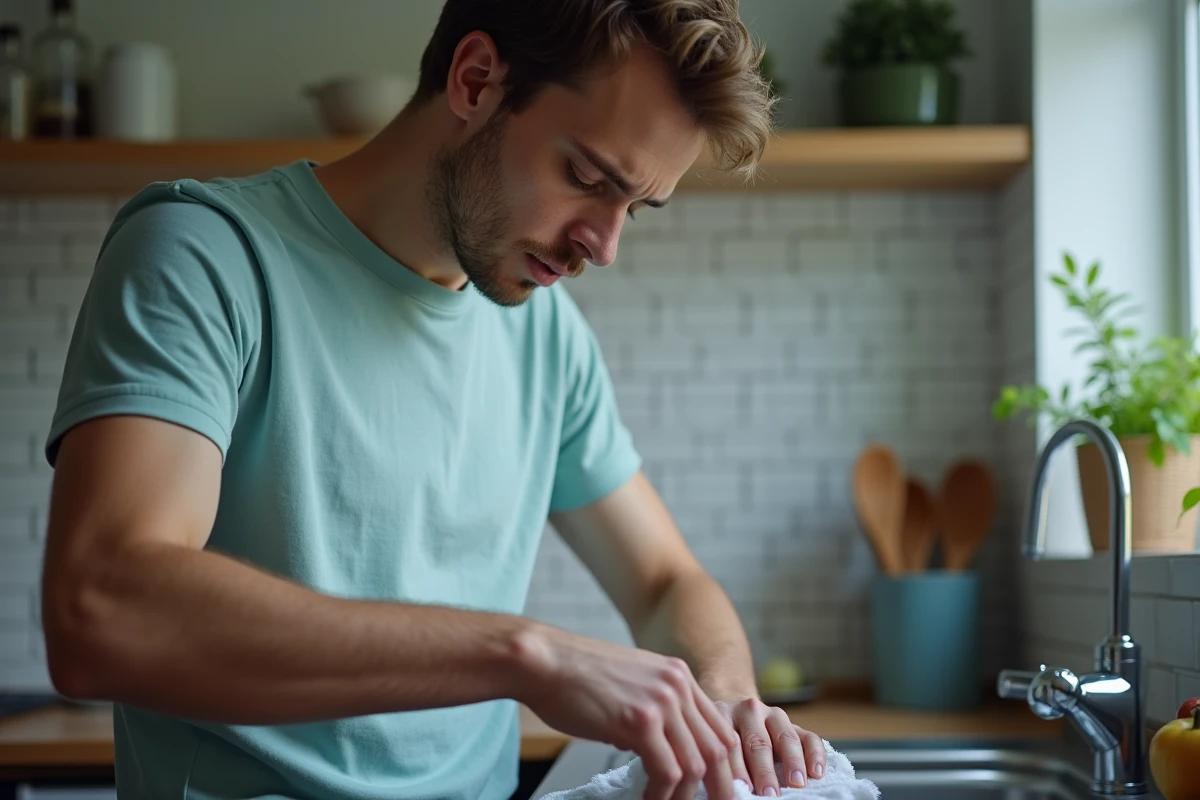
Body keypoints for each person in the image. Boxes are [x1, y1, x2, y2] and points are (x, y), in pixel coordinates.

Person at [38, 1, 827, 799]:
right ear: (476, 79)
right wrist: (526, 656)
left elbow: (666, 584)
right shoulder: (206, 257)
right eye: (587, 178)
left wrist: (724, 695)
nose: (605, 244)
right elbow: (102, 611)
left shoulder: (548, 336)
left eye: (635, 208)